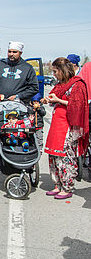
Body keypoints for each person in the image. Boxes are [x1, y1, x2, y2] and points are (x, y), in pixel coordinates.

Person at [42, 57, 89, 199]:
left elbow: (78, 105)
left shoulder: (77, 84)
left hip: (68, 125)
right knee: (54, 155)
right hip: (57, 123)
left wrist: (58, 100)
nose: (54, 75)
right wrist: (49, 100)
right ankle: (58, 184)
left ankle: (67, 186)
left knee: (65, 156)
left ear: (63, 70)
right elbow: (55, 98)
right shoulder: (60, 84)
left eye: (56, 71)